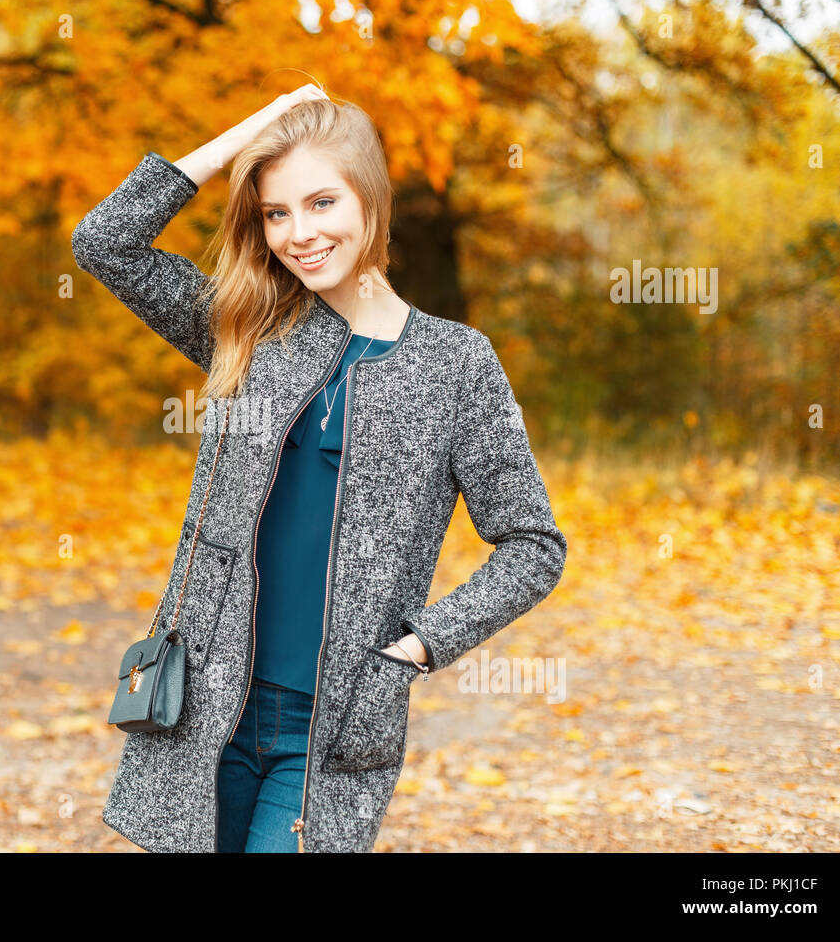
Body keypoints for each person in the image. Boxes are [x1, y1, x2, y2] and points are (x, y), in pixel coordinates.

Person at [71, 85, 566, 853]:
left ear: (370, 199)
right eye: (276, 213)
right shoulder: (247, 328)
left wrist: (419, 647)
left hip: (333, 725)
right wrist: (251, 133)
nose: (299, 233)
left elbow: (533, 545)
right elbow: (105, 242)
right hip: (206, 703)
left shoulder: (455, 364)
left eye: (323, 202)